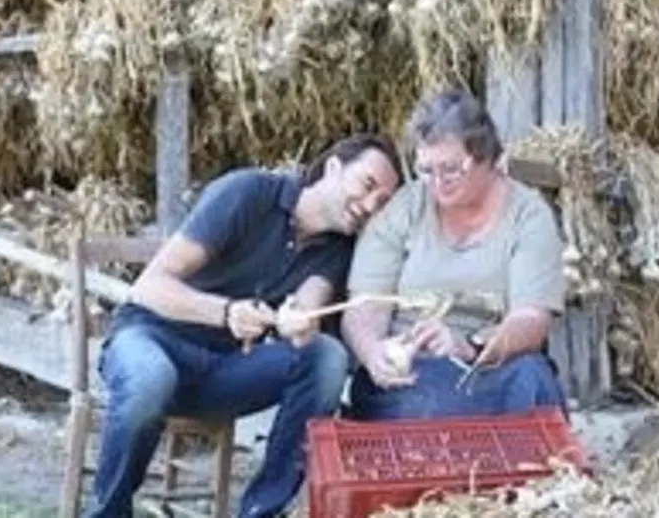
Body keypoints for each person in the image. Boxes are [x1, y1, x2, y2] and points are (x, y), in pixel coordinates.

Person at [88, 134, 403, 518]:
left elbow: (309, 303)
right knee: (152, 376)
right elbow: (149, 286)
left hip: (224, 371)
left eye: (382, 202)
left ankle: (261, 511)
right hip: (151, 340)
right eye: (367, 185)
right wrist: (225, 313)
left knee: (327, 357)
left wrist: (300, 323)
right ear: (334, 167)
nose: (370, 206)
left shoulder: (340, 248)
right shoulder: (248, 192)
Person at [340, 88, 568, 421]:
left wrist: (470, 346)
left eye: (450, 169)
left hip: (490, 365)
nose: (437, 182)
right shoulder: (406, 208)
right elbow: (365, 305)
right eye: (426, 170)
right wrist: (374, 351)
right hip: (413, 370)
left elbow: (531, 318)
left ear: (487, 159)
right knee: (421, 406)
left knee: (534, 384)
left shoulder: (528, 216)